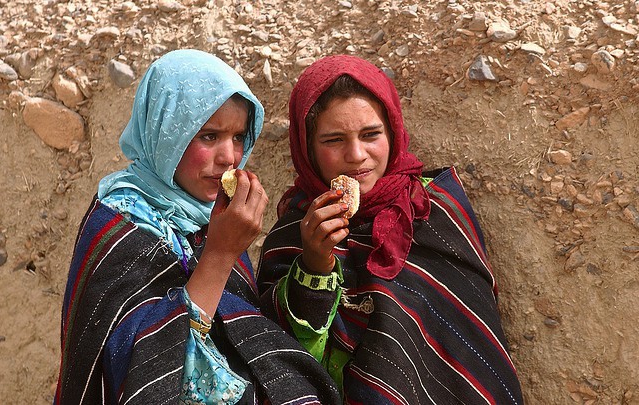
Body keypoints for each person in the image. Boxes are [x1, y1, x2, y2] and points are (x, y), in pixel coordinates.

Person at [54, 49, 340, 404]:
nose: (229, 157)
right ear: (165, 133)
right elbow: (136, 371)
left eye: (238, 137)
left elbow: (243, 328)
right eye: (209, 136)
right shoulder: (118, 226)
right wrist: (220, 253)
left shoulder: (208, 216)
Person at [257, 55, 524, 404]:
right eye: (333, 140)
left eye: (371, 134)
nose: (356, 155)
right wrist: (313, 266)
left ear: (393, 131)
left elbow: (470, 324)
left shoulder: (435, 208)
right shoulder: (298, 228)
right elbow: (280, 355)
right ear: (307, 147)